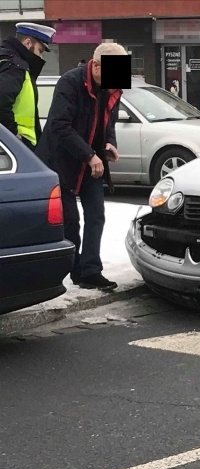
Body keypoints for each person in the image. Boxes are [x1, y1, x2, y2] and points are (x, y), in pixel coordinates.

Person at [36, 42, 128, 291]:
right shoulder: (70, 82)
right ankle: (73, 269)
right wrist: (89, 155)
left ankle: (90, 271)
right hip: (61, 160)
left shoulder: (112, 88)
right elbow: (59, 126)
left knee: (96, 214)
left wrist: (109, 143)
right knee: (71, 221)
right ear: (96, 66)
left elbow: (110, 122)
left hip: (92, 159)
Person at [0, 22, 56, 151]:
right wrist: (14, 137)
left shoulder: (6, 61)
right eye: (40, 50)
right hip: (15, 147)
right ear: (27, 43)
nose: (40, 56)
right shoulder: (15, 67)